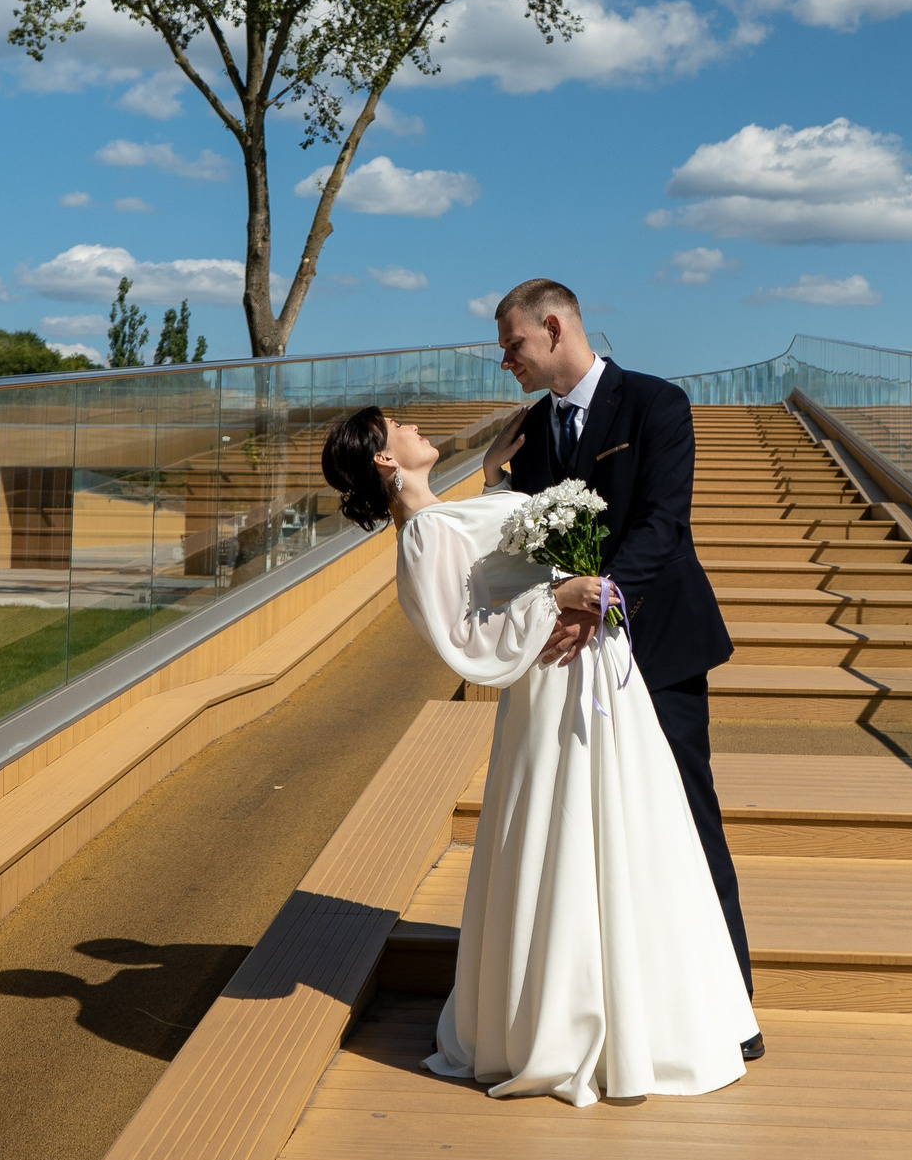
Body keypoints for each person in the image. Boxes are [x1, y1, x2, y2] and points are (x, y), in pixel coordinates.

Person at [320, 406, 757, 1106]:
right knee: (576, 837)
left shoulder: (444, 516)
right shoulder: (422, 535)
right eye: (398, 424)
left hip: (586, 671)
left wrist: (494, 479)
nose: (415, 426)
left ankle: (639, 1013)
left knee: (627, 826)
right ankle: (581, 1022)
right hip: (552, 682)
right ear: (382, 457)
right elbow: (466, 635)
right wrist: (558, 595)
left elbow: (487, 563)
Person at [484, 277, 762, 1063]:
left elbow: (663, 524)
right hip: (572, 666)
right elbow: (518, 541)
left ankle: (731, 1007)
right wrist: (496, 479)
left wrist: (597, 602)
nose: (506, 361)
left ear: (554, 326)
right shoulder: (528, 432)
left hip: (659, 649)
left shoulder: (655, 404)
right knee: (599, 832)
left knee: (689, 819)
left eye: (513, 345)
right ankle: (619, 1005)